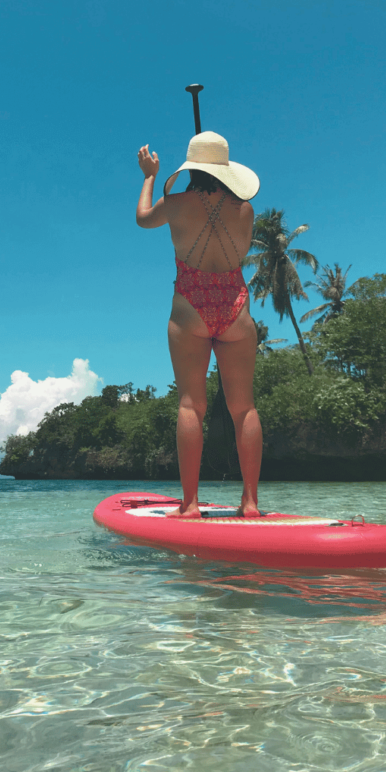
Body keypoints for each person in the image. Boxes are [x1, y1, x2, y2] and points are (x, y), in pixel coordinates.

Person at [136, 131, 263, 518]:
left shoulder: (174, 205)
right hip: (235, 308)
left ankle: (189, 504)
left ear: (191, 166)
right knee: (244, 408)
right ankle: (251, 503)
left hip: (190, 305)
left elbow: (143, 220)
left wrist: (148, 177)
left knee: (192, 405)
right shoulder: (246, 210)